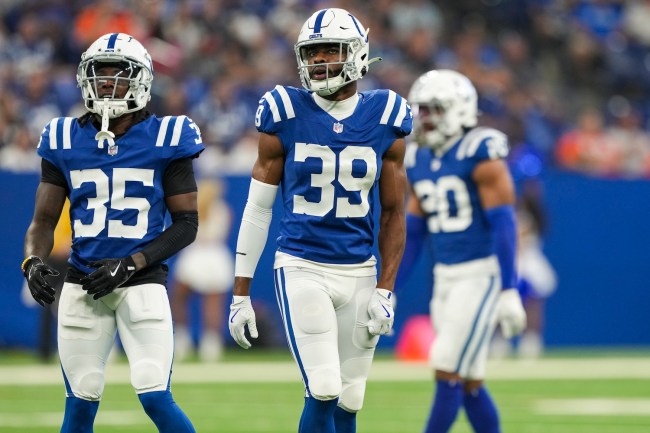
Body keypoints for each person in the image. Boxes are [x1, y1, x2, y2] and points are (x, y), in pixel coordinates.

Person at [227, 8, 411, 433]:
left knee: (350, 397)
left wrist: (386, 288)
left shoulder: (386, 116)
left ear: (359, 55)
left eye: (332, 50)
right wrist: (240, 294)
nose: (320, 60)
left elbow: (394, 212)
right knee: (324, 386)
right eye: (313, 52)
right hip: (302, 265)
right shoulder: (284, 111)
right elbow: (257, 209)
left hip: (360, 269)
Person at [21, 33, 203, 433]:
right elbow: (43, 222)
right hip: (82, 284)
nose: (106, 82)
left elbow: (187, 225)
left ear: (141, 80)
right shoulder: (63, 137)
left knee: (155, 395)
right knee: (80, 403)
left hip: (142, 283)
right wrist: (32, 260)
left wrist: (132, 263)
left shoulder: (168, 136)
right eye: (99, 73)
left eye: (117, 74)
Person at [401, 69, 527, 433]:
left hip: (480, 274)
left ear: (459, 110)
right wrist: (387, 288)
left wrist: (508, 288)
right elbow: (415, 232)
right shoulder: (417, 159)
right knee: (468, 381)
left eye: (434, 109)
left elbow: (505, 224)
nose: (425, 119)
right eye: (421, 110)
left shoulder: (480, 150)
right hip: (445, 277)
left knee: (445, 364)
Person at [171, 177, 234, 362]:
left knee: (211, 302)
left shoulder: (213, 210)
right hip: (205, 256)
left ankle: (207, 345)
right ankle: (188, 341)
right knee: (182, 298)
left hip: (205, 256)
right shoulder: (216, 211)